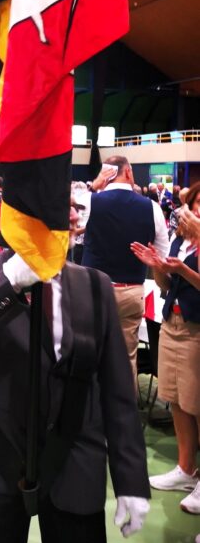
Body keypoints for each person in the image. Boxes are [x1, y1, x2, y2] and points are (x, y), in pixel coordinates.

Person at [0, 201, 150, 543]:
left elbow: (117, 391)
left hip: (75, 458)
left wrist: (131, 479)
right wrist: (11, 281)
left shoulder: (93, 285)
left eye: (71, 211)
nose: (67, 218)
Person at [131, 179, 200, 515]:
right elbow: (167, 283)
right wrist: (158, 267)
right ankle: (186, 470)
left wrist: (183, 269)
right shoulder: (181, 239)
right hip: (172, 323)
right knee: (175, 398)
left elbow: (189, 277)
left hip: (196, 329)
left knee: (196, 402)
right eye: (196, 203)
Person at [82, 155, 169, 384]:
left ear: (105, 174)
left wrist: (94, 185)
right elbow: (162, 255)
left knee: (91, 355)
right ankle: (123, 416)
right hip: (131, 290)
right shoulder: (152, 208)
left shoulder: (91, 201)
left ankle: (91, 415)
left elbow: (62, 215)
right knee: (126, 358)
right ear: (129, 172)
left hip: (93, 290)